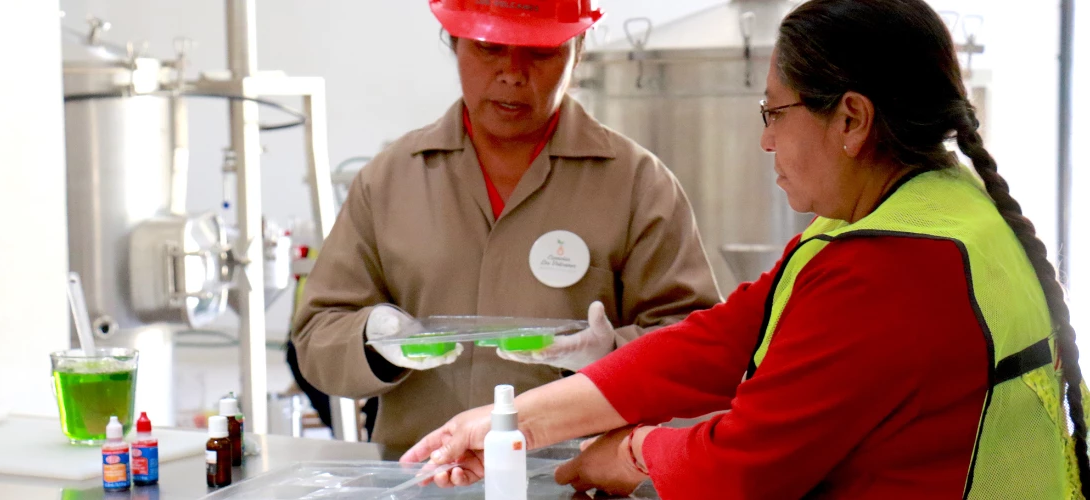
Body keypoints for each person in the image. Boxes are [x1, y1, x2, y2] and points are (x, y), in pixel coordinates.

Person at [402, 0, 1090, 498]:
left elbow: (740, 469)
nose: (764, 141)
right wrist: (511, 422)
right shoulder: (921, 213)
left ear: (850, 119)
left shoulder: (893, 267)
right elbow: (720, 341)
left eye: (774, 113)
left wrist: (633, 452)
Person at [290, 0, 720, 451]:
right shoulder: (390, 180)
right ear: (453, 43)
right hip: (420, 475)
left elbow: (698, 346)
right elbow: (317, 334)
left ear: (578, 50)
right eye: (489, 47)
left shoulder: (636, 183)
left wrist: (610, 353)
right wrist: (371, 341)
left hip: (578, 479)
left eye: (540, 52)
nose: (513, 73)